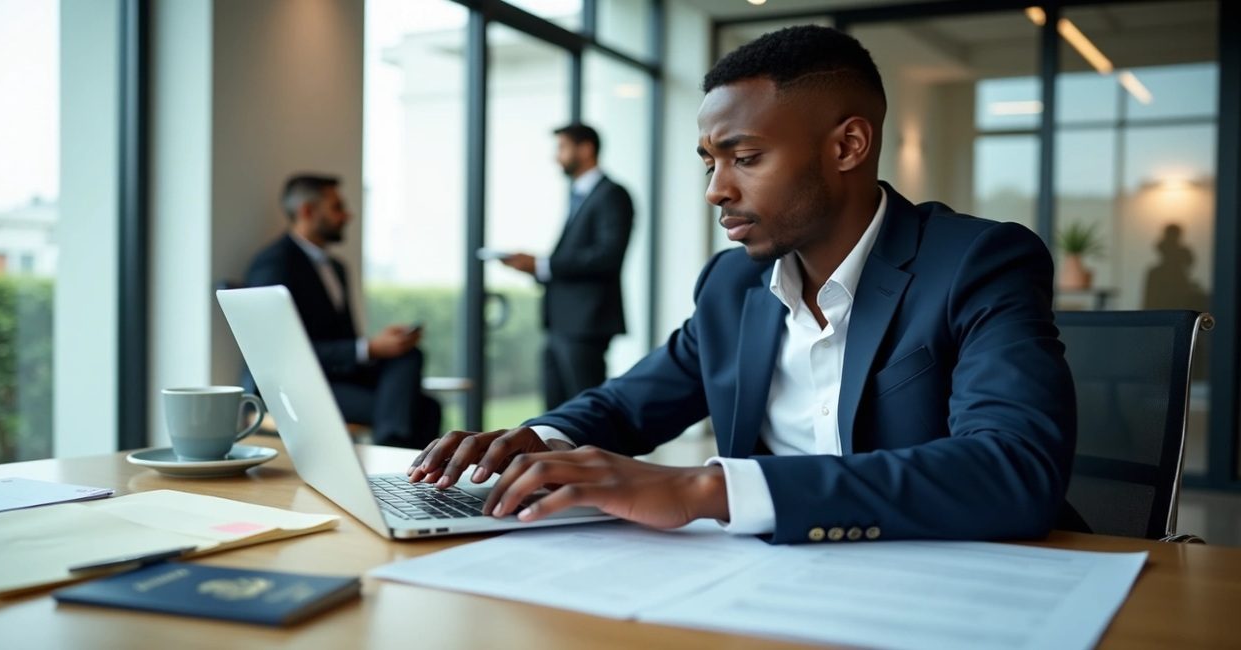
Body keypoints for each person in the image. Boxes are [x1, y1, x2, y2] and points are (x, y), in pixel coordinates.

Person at [410, 26, 1076, 544]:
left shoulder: (978, 262)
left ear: (847, 147)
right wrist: (537, 441)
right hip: (764, 587)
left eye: (746, 157)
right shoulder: (733, 284)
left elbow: (1012, 470)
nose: (716, 190)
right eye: (710, 161)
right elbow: (625, 408)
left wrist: (708, 490)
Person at [244, 173, 440, 449]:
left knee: (408, 356)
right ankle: (394, 460)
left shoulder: (337, 268)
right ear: (307, 211)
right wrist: (369, 349)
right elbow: (278, 352)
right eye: (337, 207)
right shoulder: (275, 264)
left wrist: (378, 346)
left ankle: (402, 461)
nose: (347, 215)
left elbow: (344, 339)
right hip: (296, 386)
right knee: (422, 410)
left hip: (338, 377)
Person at [500, 124, 635, 410]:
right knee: (556, 408)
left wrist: (544, 264)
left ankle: (592, 456)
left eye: (562, 148)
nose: (555, 157)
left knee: (586, 408)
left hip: (586, 322)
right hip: (561, 322)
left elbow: (608, 256)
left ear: (585, 149)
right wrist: (537, 269)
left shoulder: (612, 194)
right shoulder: (580, 195)